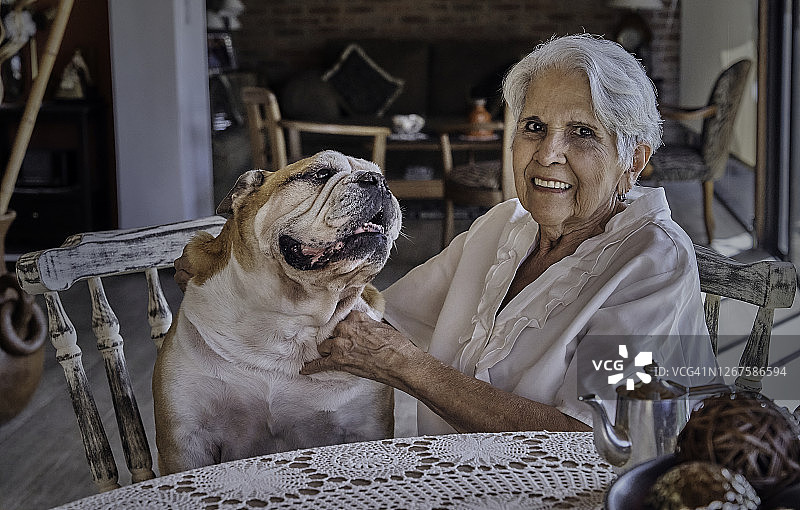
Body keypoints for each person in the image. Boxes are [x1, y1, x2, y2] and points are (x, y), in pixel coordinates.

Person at [176, 34, 719, 436]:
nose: (548, 154)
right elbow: (375, 323)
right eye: (533, 127)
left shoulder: (653, 262)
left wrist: (407, 367)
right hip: (443, 476)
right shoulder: (503, 226)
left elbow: (593, 442)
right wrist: (229, 279)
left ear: (634, 160)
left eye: (582, 133)